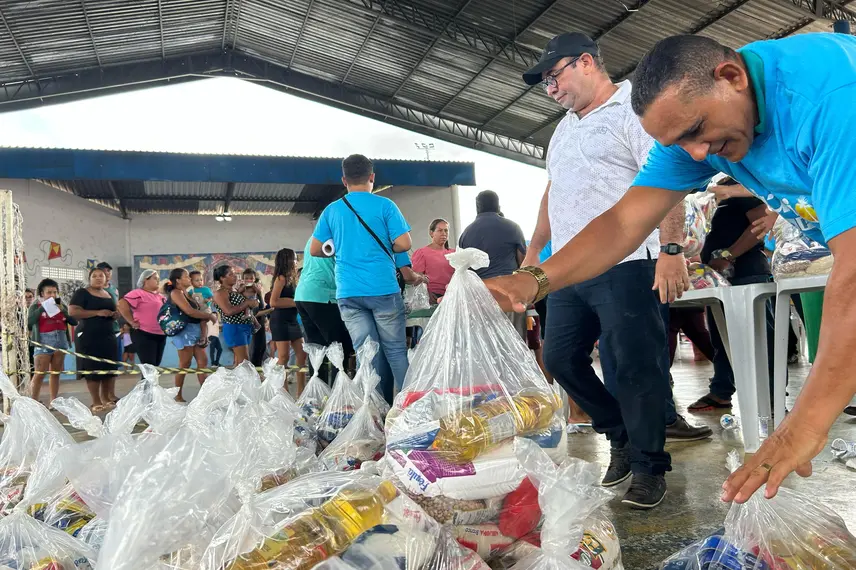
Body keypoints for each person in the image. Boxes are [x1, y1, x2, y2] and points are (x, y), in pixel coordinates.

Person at [486, 32, 856, 505]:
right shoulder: (691, 128)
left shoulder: (828, 97)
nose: (699, 155)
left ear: (731, 76)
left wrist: (804, 424)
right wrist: (534, 278)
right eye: (682, 142)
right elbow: (623, 220)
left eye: (698, 129)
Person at [310, 154, 412, 404]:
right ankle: (413, 407)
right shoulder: (385, 206)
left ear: (344, 180)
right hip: (383, 289)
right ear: (372, 177)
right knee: (396, 351)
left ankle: (376, 412)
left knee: (367, 354)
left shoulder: (332, 210)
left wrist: (341, 245)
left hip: (349, 293)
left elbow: (316, 249)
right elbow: (404, 243)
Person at [688, 180, 779, 412]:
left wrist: (729, 254)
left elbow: (761, 225)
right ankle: (721, 391)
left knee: (759, 338)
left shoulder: (736, 186)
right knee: (721, 337)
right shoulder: (703, 197)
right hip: (717, 277)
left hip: (747, 274)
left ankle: (771, 398)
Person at [459, 190, 528, 341]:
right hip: (509, 294)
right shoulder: (512, 227)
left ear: (477, 207)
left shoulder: (466, 233)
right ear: (498, 206)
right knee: (515, 343)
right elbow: (524, 262)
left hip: (480, 296)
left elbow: (464, 268)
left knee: (487, 345)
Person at [69, 267, 120, 413]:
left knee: (109, 368)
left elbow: (113, 310)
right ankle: (96, 401)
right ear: (89, 278)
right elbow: (73, 312)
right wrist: (97, 313)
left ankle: (106, 397)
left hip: (108, 335)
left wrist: (115, 315)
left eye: (101, 276)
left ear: (106, 279)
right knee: (92, 369)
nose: (98, 278)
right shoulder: (82, 293)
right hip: (88, 336)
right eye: (95, 276)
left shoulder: (109, 294)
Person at [163, 268, 216, 402]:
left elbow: (196, 311)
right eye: (186, 277)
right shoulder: (176, 293)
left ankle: (205, 395)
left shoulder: (186, 292)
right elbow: (190, 312)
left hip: (195, 330)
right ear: (178, 280)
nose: (189, 279)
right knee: (185, 363)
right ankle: (178, 394)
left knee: (202, 361)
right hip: (184, 333)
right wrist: (208, 315)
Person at [27, 278, 77, 404]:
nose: (53, 295)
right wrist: (43, 308)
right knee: (39, 373)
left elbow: (74, 321)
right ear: (42, 294)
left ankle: (53, 402)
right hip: (43, 341)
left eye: (55, 292)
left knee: (55, 373)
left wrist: (63, 310)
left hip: (61, 340)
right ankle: (33, 402)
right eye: (49, 292)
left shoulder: (62, 305)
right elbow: (30, 322)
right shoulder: (35, 306)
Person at [269, 248, 307, 393]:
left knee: (302, 354)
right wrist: (295, 302)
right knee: (283, 357)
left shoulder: (294, 279)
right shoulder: (281, 278)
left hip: (292, 321)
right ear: (288, 261)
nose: (297, 262)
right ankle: (283, 392)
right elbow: (273, 302)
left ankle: (301, 391)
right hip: (280, 321)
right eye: (295, 259)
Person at [117, 269, 166, 367]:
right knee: (149, 366)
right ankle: (147, 383)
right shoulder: (138, 293)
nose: (158, 281)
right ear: (145, 280)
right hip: (144, 333)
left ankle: (152, 383)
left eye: (158, 279)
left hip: (160, 335)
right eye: (155, 278)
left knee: (155, 366)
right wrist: (131, 321)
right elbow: (121, 303)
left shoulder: (160, 296)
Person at [212, 265, 258, 365]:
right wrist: (247, 303)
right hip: (235, 328)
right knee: (245, 363)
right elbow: (228, 311)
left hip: (244, 327)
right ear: (222, 278)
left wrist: (252, 304)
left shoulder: (236, 290)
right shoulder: (220, 293)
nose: (235, 276)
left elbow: (243, 307)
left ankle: (239, 381)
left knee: (239, 363)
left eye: (234, 273)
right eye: (231, 274)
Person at [411, 218, 455, 302]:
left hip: (452, 296)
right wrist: (426, 294)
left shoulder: (454, 253)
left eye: (446, 230)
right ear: (431, 233)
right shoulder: (422, 253)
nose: (444, 233)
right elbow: (416, 277)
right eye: (440, 230)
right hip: (433, 296)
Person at [96, 262, 123, 370]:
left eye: (109, 271)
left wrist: (118, 313)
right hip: (98, 330)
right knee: (99, 365)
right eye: (104, 271)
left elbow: (118, 307)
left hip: (114, 329)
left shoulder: (115, 290)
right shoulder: (92, 290)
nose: (107, 273)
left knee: (113, 365)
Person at [187, 270, 212, 348]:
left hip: (205, 309)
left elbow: (211, 297)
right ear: (191, 282)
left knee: (203, 322)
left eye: (201, 280)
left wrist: (209, 300)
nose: (200, 282)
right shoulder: (191, 291)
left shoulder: (206, 289)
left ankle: (204, 337)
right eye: (197, 280)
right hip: (197, 310)